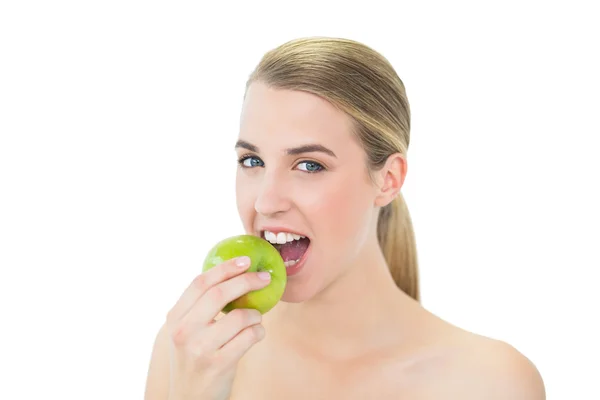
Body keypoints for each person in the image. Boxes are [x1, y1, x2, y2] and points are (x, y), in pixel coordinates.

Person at [144, 37, 546, 400]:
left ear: (388, 180)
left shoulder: (491, 383)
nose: (266, 201)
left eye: (309, 165)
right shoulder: (191, 351)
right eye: (252, 161)